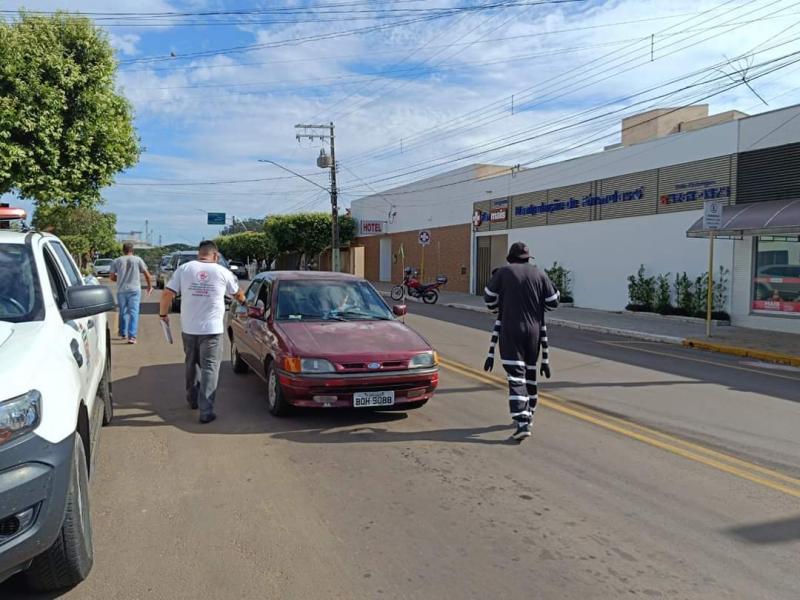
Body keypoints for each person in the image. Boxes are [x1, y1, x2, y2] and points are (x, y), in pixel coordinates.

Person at [159, 240, 246, 424]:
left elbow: (167, 293)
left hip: (189, 329)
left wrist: (163, 314)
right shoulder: (223, 271)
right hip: (213, 331)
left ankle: (192, 399)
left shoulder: (184, 269)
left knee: (191, 363)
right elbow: (237, 294)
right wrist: (245, 302)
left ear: (200, 253)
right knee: (210, 368)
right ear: (215, 255)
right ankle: (206, 410)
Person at [484, 242, 559, 441]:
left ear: (510, 258)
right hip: (534, 332)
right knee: (529, 372)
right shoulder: (539, 274)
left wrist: (498, 307)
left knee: (516, 376)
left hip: (510, 330)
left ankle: (522, 421)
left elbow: (489, 297)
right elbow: (553, 302)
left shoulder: (503, 273)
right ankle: (529, 412)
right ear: (527, 258)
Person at [110, 242, 153, 344]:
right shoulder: (138, 260)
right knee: (133, 313)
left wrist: (120, 279)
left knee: (123, 312)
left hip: (121, 290)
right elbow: (147, 275)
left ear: (122, 250)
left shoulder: (117, 261)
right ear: (132, 250)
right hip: (134, 290)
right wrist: (149, 286)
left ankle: (122, 333)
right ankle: (132, 336)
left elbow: (111, 277)